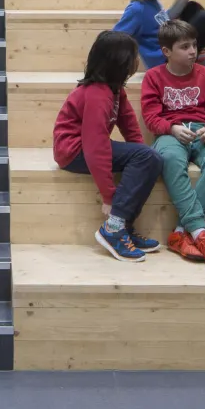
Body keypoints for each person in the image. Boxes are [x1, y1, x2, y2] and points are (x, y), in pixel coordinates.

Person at [53, 31, 162, 262]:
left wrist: (143, 158)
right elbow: (95, 147)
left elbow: (129, 125)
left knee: (150, 158)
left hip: (87, 147)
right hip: (74, 152)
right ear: (120, 61)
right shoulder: (97, 94)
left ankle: (123, 226)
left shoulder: (114, 90)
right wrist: (109, 196)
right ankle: (113, 227)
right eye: (134, 57)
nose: (137, 61)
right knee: (146, 157)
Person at [139, 20, 205, 267]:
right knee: (169, 159)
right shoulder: (153, 77)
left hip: (204, 132)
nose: (193, 51)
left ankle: (182, 231)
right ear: (166, 51)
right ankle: (201, 233)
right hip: (170, 133)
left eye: (194, 45)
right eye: (184, 46)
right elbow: (151, 117)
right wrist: (171, 128)